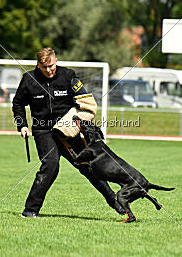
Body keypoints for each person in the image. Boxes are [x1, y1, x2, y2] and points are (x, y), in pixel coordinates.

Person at [12, 47, 124, 217]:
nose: (49, 70)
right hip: (43, 131)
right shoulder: (29, 79)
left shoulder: (68, 76)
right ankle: (30, 211)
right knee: (51, 166)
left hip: (68, 130)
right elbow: (18, 103)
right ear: (38, 65)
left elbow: (85, 101)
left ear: (56, 61)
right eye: (44, 68)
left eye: (51, 66)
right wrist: (22, 125)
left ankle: (114, 201)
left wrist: (80, 121)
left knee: (89, 167)